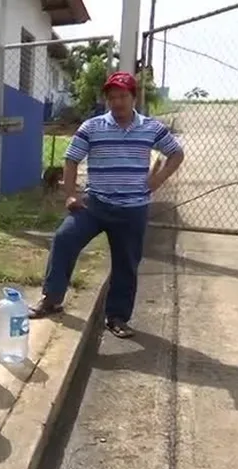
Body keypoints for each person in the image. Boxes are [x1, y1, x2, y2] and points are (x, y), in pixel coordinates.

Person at [29, 71, 185, 338]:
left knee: (126, 263)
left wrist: (156, 181)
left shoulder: (152, 128)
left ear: (133, 97)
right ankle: (52, 299)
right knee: (65, 238)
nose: (117, 102)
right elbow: (71, 160)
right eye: (112, 97)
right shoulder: (92, 127)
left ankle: (117, 317)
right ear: (107, 100)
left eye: (123, 96)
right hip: (95, 205)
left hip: (133, 209)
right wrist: (71, 194)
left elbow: (176, 153)